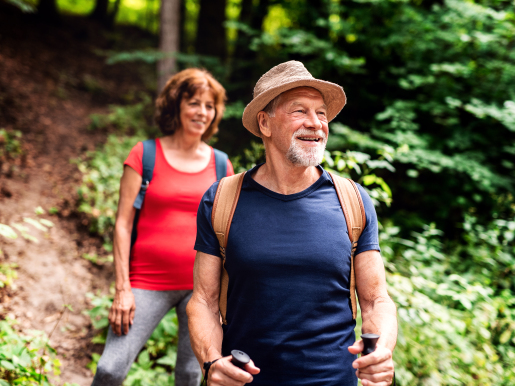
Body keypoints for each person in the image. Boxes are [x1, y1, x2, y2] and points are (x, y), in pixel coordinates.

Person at [187, 61, 397, 386]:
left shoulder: (352, 200)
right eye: (300, 111)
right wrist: (211, 362)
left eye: (322, 113)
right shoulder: (222, 200)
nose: (316, 124)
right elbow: (202, 301)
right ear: (265, 123)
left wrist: (381, 349)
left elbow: (376, 300)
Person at [91, 68, 234, 386]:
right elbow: (122, 224)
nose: (202, 112)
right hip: (146, 282)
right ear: (176, 105)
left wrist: (224, 297)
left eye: (209, 106)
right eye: (194, 102)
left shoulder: (222, 165)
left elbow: (226, 235)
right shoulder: (145, 154)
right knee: (110, 369)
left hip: (202, 289)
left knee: (190, 375)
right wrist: (122, 289)